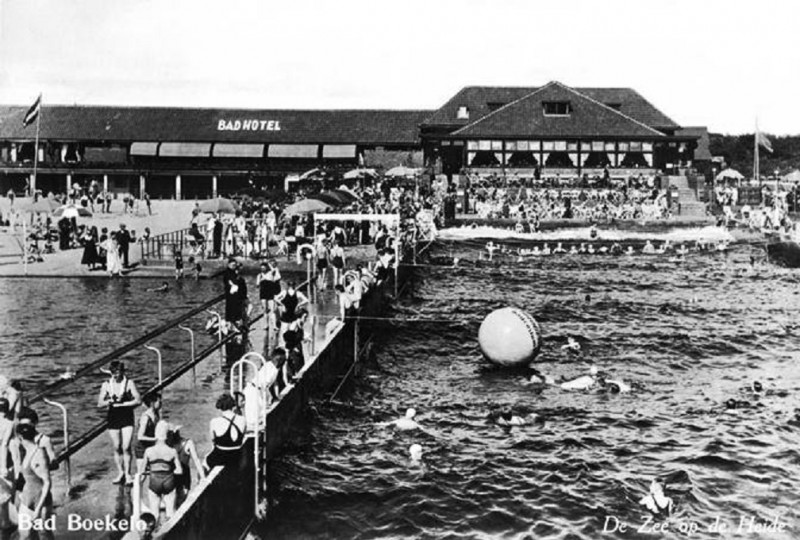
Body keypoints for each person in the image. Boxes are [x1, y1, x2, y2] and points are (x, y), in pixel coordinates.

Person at [98, 361, 141, 484]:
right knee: (117, 446)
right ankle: (120, 472)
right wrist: (109, 401)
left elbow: (138, 400)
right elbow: (99, 403)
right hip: (113, 417)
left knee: (126, 446)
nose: (115, 375)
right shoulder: (106, 385)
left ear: (122, 372)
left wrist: (124, 404)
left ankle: (128, 474)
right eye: (113, 373)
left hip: (126, 416)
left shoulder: (129, 383)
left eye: (117, 373)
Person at [14, 423, 52, 539]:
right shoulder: (24, 451)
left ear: (20, 437)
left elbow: (47, 482)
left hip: (41, 501)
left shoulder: (39, 454)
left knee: (45, 534)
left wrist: (38, 509)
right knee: (25, 535)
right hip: (27, 498)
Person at [141, 421, 182, 519]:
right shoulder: (172, 451)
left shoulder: (149, 451)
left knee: (154, 513)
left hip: (154, 481)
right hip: (169, 481)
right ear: (167, 435)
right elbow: (179, 471)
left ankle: (155, 531)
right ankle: (170, 531)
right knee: (171, 513)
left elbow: (142, 470)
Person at [205, 394, 246, 471]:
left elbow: (213, 440)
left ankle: (201, 481)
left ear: (220, 407)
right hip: (237, 456)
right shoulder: (243, 420)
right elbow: (242, 436)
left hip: (221, 458)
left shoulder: (214, 422)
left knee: (205, 462)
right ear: (232, 406)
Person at [167, 425, 205, 499]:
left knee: (173, 502)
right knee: (182, 500)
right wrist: (203, 477)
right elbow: (196, 460)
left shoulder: (168, 445)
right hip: (184, 476)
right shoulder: (188, 443)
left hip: (172, 476)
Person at [135, 393, 161, 469]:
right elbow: (140, 437)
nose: (160, 404)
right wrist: (155, 439)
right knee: (141, 473)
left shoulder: (156, 414)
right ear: (152, 403)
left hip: (151, 446)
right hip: (142, 448)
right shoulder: (145, 417)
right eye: (159, 402)